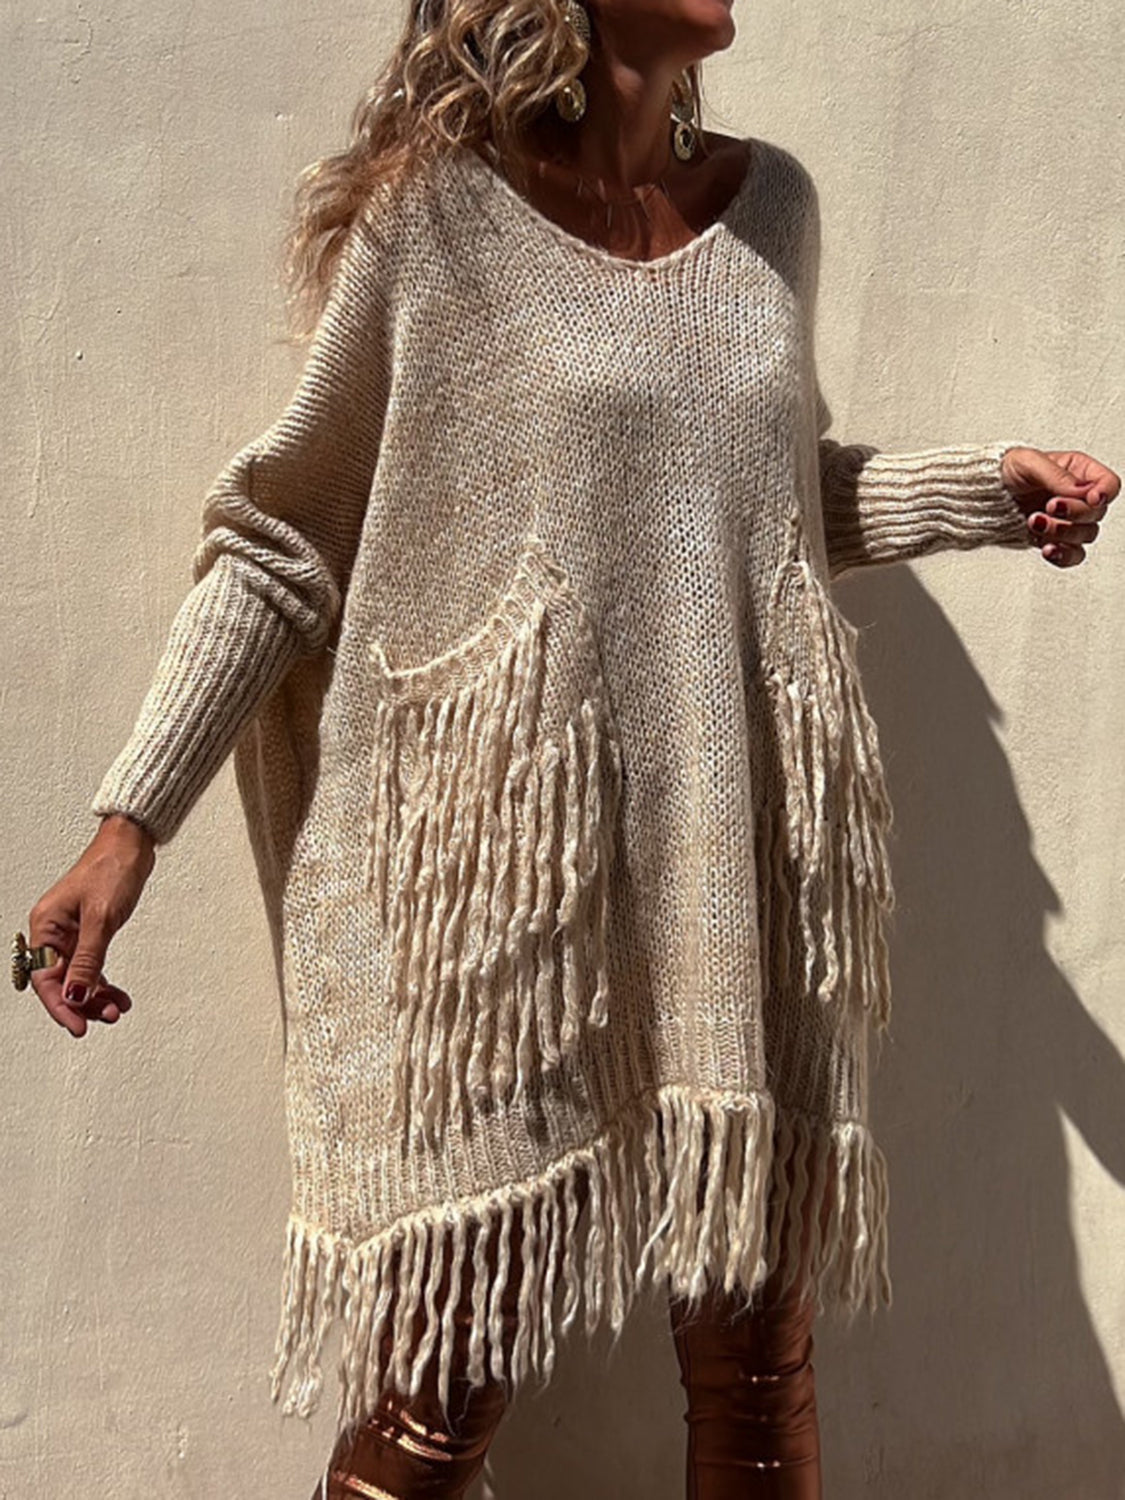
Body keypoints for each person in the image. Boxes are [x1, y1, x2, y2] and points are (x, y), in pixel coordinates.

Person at [15, 1, 1117, 1496]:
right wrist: (130, 821)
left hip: (728, 855)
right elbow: (284, 540)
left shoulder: (773, 207)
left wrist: (986, 490)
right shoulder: (436, 223)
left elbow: (757, 500)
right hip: (506, 897)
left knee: (758, 1367)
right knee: (438, 1386)